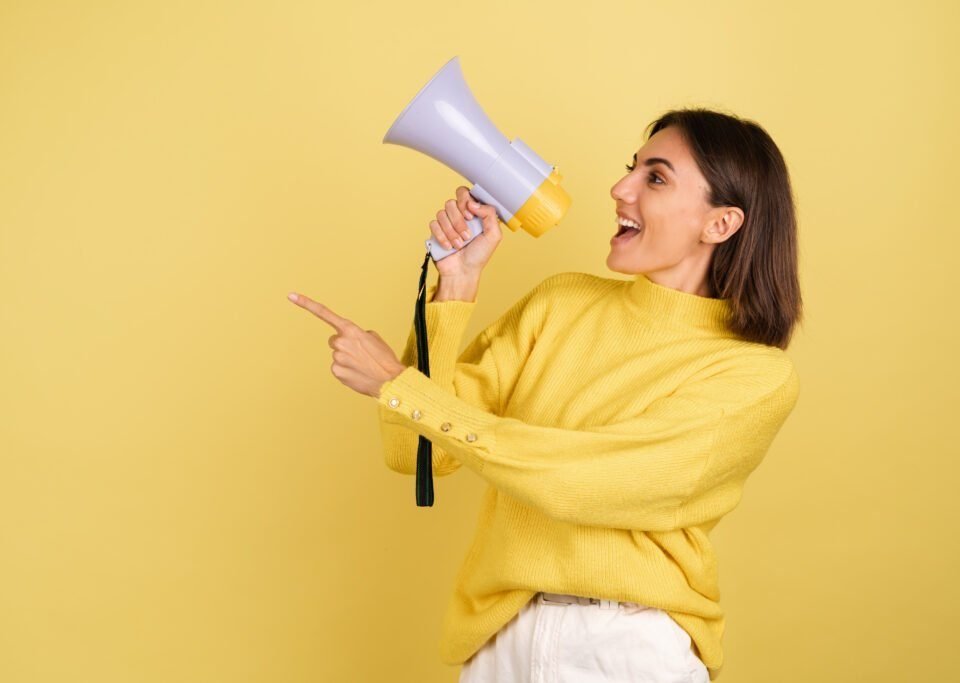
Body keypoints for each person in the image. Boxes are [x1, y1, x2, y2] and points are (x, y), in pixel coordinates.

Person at [288, 107, 802, 682]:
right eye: (631, 168)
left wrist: (398, 386)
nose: (620, 188)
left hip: (626, 650)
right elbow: (418, 452)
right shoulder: (560, 303)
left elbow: (582, 482)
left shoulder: (752, 376)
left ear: (721, 224)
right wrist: (454, 288)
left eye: (655, 178)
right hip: (499, 637)